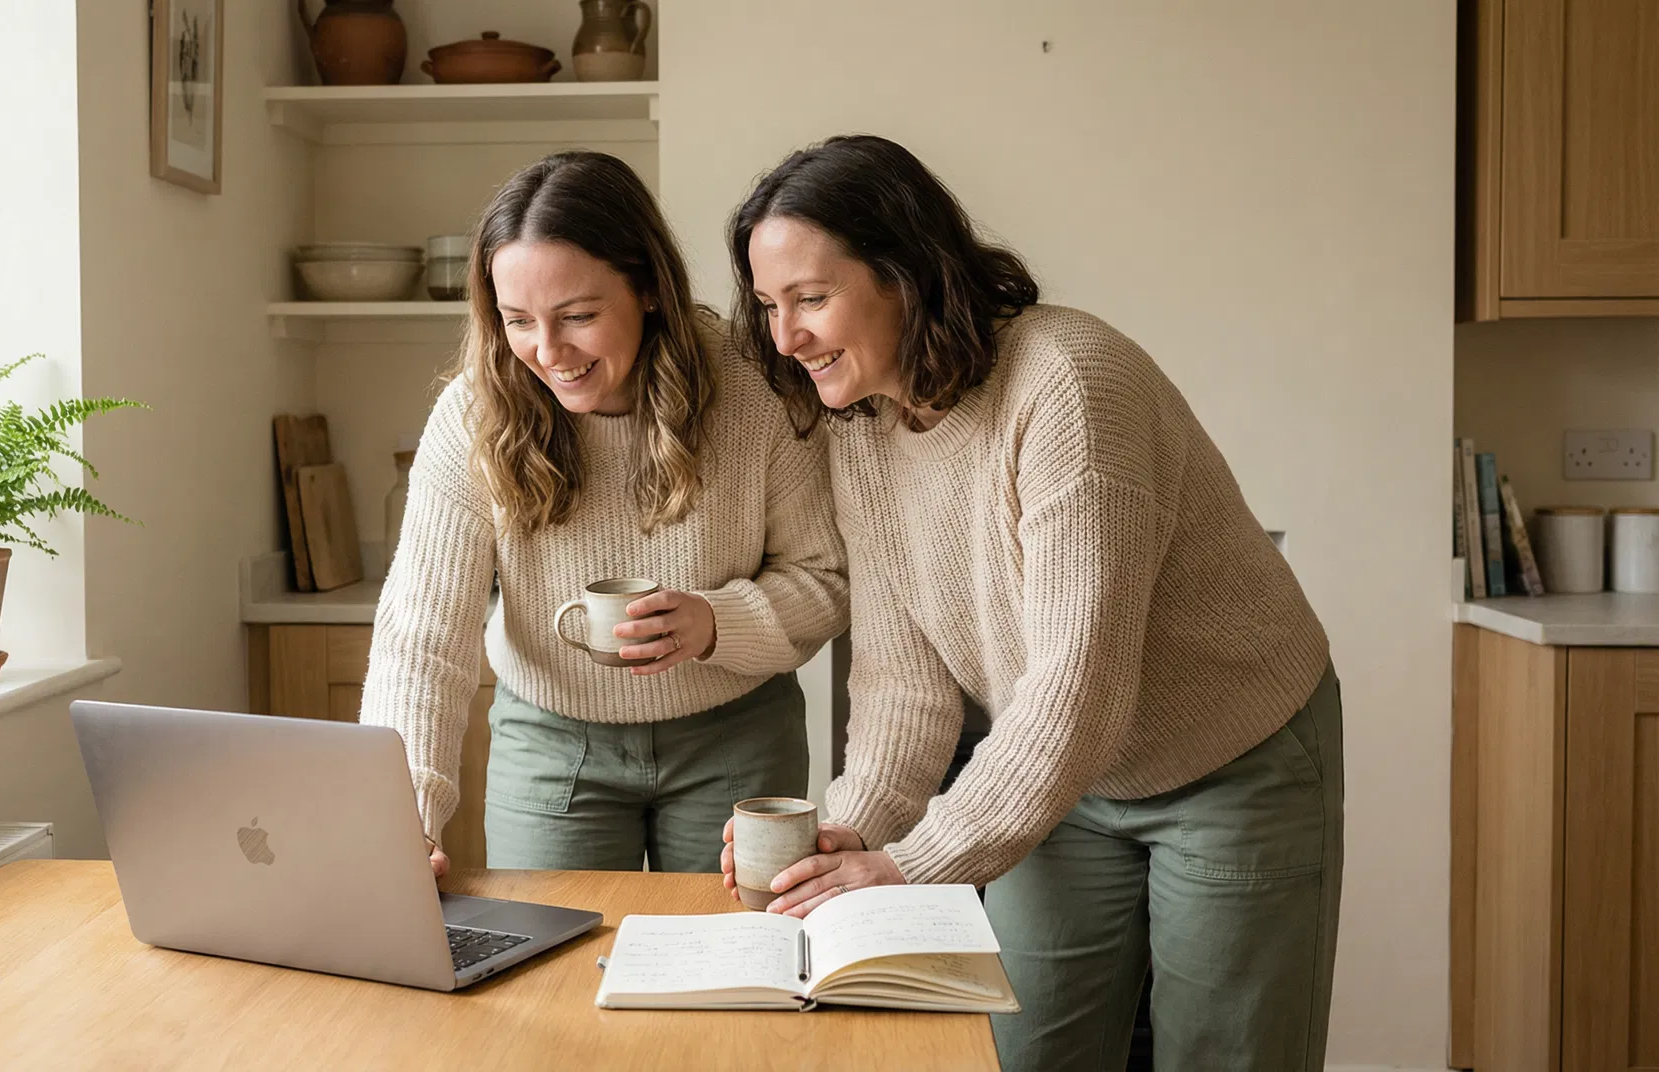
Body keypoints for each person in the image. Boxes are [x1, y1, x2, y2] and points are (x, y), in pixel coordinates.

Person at [718, 134, 1341, 1071]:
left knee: (1225, 1056)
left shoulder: (1069, 388)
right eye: (769, 306)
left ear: (908, 274)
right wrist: (857, 827)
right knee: (1023, 1053)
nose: (785, 337)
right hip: (1062, 779)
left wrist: (909, 867)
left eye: (811, 298)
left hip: (1231, 759)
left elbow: (1077, 682)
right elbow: (902, 681)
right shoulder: (864, 423)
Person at [360, 151, 847, 877]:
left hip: (737, 739)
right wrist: (400, 813)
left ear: (648, 288)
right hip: (551, 745)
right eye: (518, 320)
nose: (548, 352)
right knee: (545, 973)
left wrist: (717, 622)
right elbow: (422, 637)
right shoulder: (473, 415)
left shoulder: (757, 393)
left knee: (734, 968)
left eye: (579, 316)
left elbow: (826, 578)